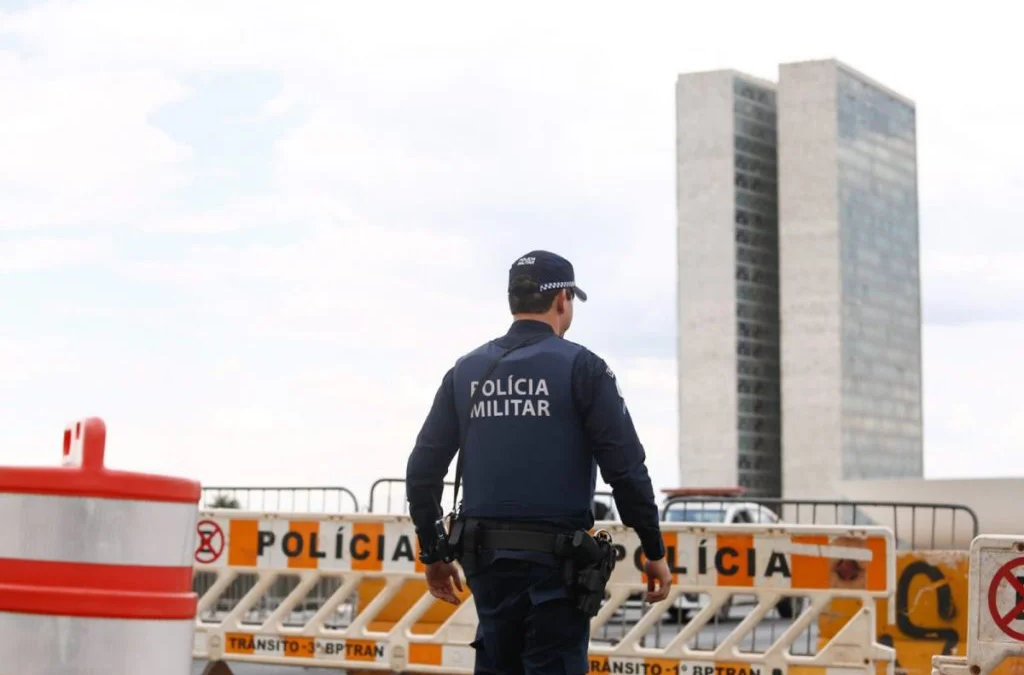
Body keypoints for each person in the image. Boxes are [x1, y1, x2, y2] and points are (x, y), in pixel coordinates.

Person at [405, 249, 672, 675]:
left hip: (485, 563)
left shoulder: (466, 371)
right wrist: (653, 549)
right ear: (562, 299)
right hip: (557, 570)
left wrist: (433, 553)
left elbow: (422, 471)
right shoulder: (583, 368)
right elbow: (625, 469)